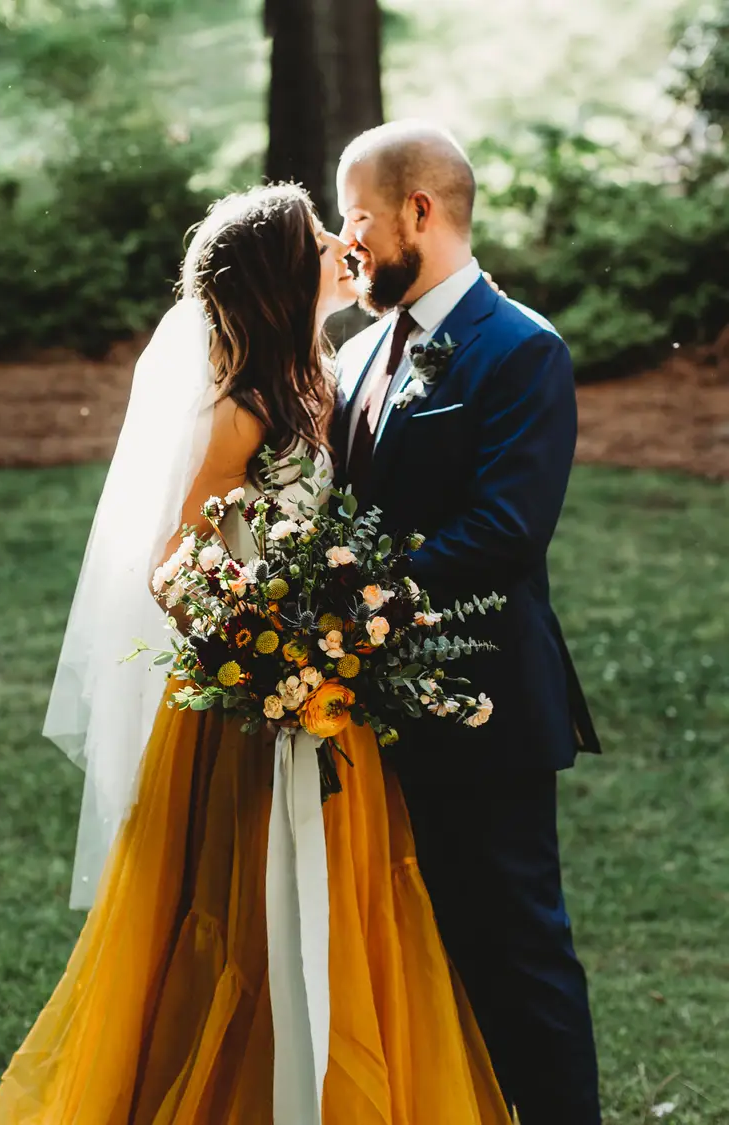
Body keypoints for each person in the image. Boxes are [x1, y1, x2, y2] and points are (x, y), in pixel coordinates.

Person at [0, 184, 511, 1125]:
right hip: (258, 715)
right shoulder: (243, 409)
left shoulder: (320, 375)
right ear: (281, 275)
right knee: (255, 918)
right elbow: (171, 567)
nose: (340, 245)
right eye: (318, 239)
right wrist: (272, 652)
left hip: (328, 704)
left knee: (342, 910)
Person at [334, 120, 603, 1125]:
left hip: (483, 704)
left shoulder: (521, 349)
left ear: (420, 210)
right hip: (361, 708)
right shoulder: (360, 352)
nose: (347, 241)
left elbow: (504, 528)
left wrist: (352, 592)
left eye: (358, 217)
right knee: (409, 950)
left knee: (515, 952)